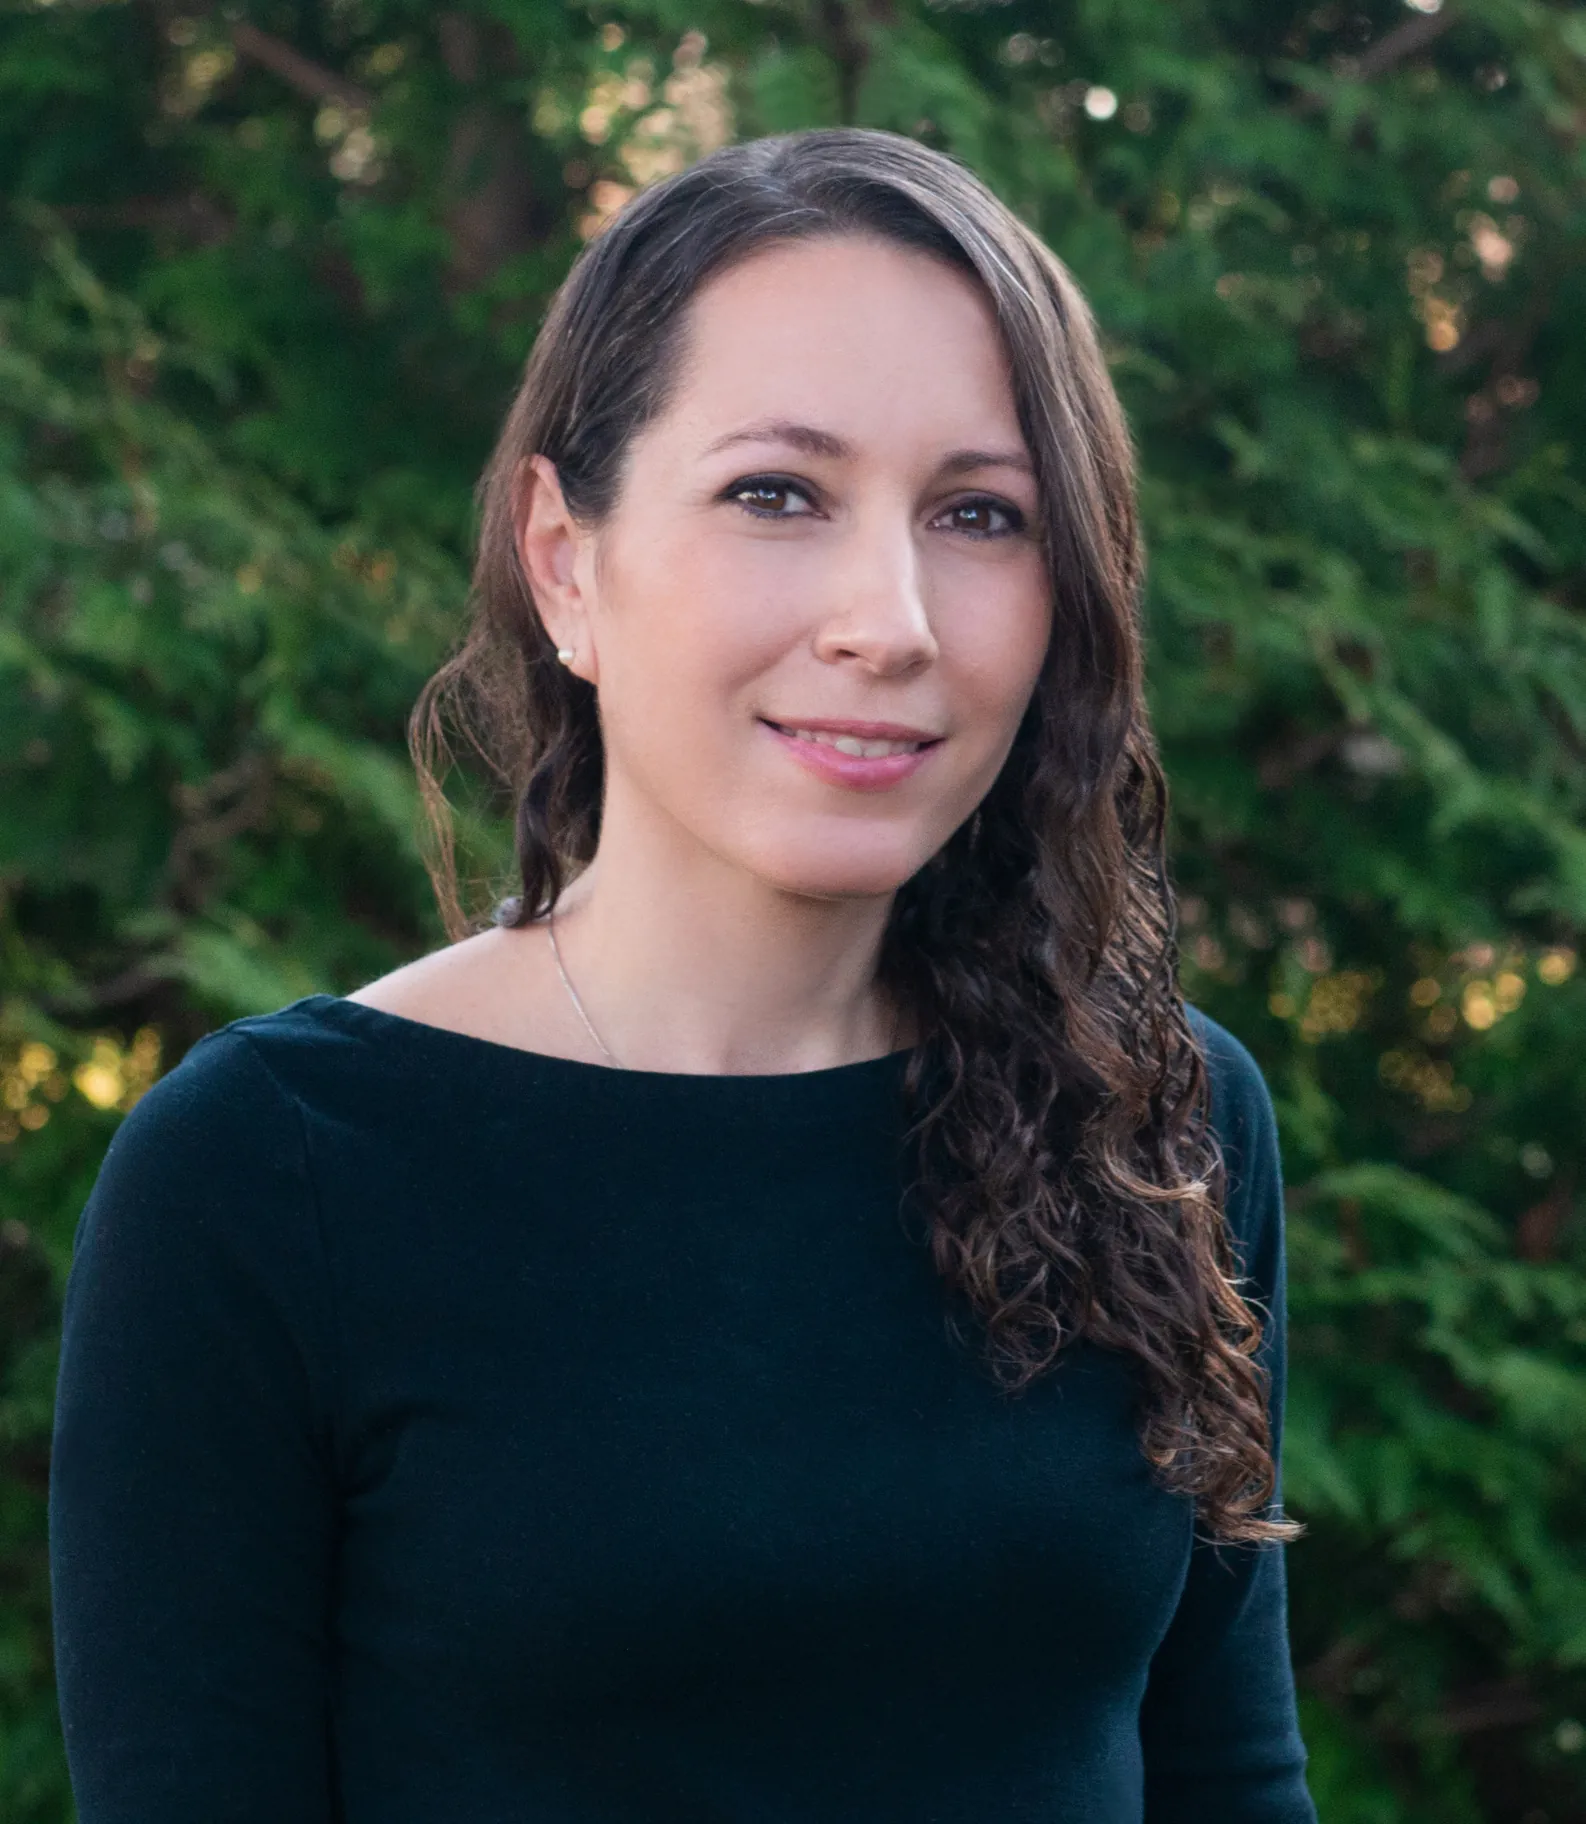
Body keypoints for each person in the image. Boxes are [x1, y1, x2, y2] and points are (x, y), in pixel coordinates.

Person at [48, 126, 1317, 1822]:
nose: (892, 618)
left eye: (980, 513)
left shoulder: (1157, 1119)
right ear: (567, 561)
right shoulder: (267, 1175)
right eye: (776, 493)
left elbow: (1229, 1775)